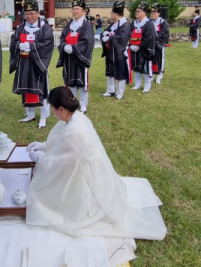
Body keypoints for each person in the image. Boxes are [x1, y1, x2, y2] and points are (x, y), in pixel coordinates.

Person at [25, 87, 166, 240]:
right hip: (91, 166)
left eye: (52, 109)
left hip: (90, 178)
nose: (52, 113)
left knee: (45, 200)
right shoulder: (76, 117)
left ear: (61, 109)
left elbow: (62, 162)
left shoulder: (75, 132)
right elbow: (62, 144)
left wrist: (41, 158)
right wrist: (44, 146)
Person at [9, 0, 54, 129]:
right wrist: (19, 45)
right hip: (24, 62)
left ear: (38, 13)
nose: (29, 16)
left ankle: (44, 117)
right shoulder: (21, 27)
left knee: (41, 89)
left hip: (37, 63)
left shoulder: (44, 28)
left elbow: (47, 44)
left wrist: (31, 46)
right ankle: (30, 114)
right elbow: (13, 41)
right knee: (26, 88)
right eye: (27, 13)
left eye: (32, 13)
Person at [57, 0, 94, 113]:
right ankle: (73, 102)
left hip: (80, 58)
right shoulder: (69, 25)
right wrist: (64, 46)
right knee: (71, 81)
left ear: (84, 10)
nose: (75, 11)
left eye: (78, 9)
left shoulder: (87, 25)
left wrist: (74, 48)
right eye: (73, 9)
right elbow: (62, 37)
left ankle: (83, 104)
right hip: (69, 59)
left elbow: (87, 40)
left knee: (82, 82)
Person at [101, 0, 130, 99]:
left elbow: (122, 37)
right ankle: (110, 90)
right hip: (110, 52)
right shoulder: (113, 24)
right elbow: (106, 31)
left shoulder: (125, 25)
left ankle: (120, 92)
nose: (110, 15)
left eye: (111, 13)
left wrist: (110, 37)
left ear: (116, 14)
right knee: (110, 72)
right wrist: (105, 34)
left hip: (120, 53)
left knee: (120, 72)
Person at [129, 1, 156, 93]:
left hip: (144, 50)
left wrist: (140, 46)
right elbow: (128, 34)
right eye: (136, 11)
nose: (137, 13)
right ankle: (137, 84)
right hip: (133, 49)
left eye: (139, 11)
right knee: (136, 67)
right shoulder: (133, 23)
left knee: (145, 68)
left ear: (144, 12)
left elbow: (150, 38)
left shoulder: (149, 24)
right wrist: (130, 45)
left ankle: (147, 85)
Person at [150, 3, 170, 84]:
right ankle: (151, 75)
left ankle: (159, 75)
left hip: (159, 44)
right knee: (150, 60)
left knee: (160, 59)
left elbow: (165, 33)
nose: (153, 15)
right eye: (152, 13)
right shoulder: (149, 22)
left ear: (159, 13)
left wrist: (156, 37)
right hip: (151, 44)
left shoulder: (162, 22)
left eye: (155, 13)